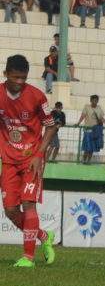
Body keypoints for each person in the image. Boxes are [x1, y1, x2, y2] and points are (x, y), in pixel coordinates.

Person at [0, 54, 58, 267]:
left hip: (31, 159)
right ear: (6, 74)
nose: (20, 82)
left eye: (23, 78)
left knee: (28, 204)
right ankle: (43, 236)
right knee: (11, 211)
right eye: (15, 77)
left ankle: (28, 258)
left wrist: (38, 155)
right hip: (8, 161)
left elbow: (51, 125)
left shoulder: (36, 96)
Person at [76, 95, 105, 165]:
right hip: (87, 129)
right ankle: (84, 160)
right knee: (87, 147)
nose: (95, 102)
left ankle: (88, 161)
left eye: (96, 100)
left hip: (95, 130)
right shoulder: (86, 107)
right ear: (91, 100)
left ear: (97, 101)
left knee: (92, 147)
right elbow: (83, 116)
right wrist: (78, 123)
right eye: (93, 100)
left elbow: (101, 118)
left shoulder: (99, 108)